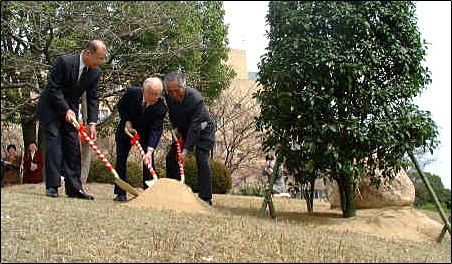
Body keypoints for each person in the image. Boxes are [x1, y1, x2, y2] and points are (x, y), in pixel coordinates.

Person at [35, 39, 107, 199]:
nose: (101, 62)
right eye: (100, 58)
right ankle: (52, 186)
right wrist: (65, 109)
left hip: (71, 110)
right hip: (51, 107)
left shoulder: (95, 72)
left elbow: (93, 98)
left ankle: (74, 188)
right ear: (88, 53)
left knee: (73, 144)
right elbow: (54, 88)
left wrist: (92, 124)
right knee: (54, 142)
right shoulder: (64, 62)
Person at [164, 71, 216, 206]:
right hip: (185, 129)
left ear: (184, 86)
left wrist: (185, 151)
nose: (174, 94)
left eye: (177, 90)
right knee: (171, 157)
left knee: (201, 157)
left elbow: (195, 127)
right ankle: (173, 192)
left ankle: (205, 198)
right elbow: (172, 114)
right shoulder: (169, 97)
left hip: (203, 129)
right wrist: (175, 127)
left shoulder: (195, 98)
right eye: (170, 91)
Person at [113, 77, 167, 202]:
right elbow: (121, 107)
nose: (155, 97)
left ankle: (149, 192)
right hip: (126, 129)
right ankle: (120, 193)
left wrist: (149, 151)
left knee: (148, 161)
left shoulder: (161, 108)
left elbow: (156, 130)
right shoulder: (132, 93)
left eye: (158, 94)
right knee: (121, 158)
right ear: (143, 90)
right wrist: (127, 121)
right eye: (152, 94)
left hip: (146, 134)